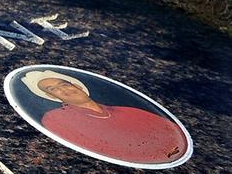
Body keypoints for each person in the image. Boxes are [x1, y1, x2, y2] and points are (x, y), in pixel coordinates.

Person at [22, 70, 189, 164]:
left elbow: (169, 132)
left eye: (63, 84)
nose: (63, 90)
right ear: (51, 97)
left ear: (78, 86)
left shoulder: (129, 112)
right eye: (52, 89)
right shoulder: (55, 118)